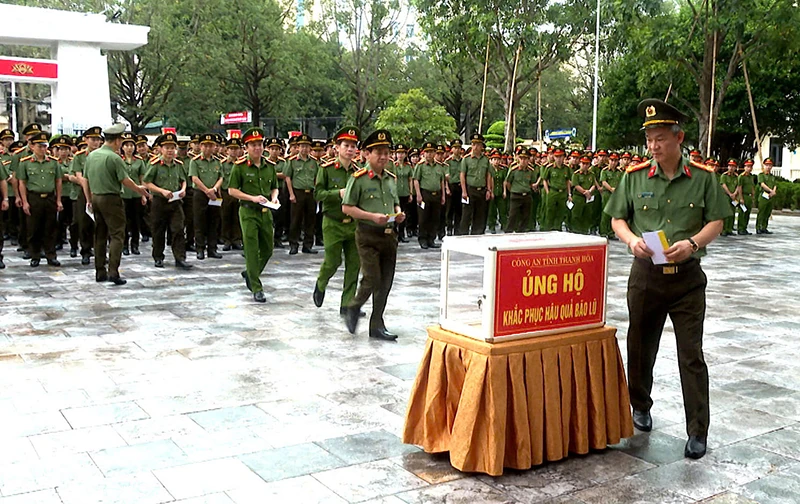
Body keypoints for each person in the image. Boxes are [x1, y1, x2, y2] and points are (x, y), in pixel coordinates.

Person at [605, 98, 733, 460]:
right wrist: (631, 242)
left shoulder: (704, 178)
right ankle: (640, 405)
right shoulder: (633, 177)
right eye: (649, 140)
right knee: (640, 346)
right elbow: (617, 218)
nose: (654, 147)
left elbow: (717, 221)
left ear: (679, 138)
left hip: (687, 279)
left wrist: (693, 243)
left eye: (660, 138)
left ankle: (697, 431)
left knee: (691, 354)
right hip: (646, 276)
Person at [342, 130, 405, 341]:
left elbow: (395, 201)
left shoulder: (390, 179)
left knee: (386, 282)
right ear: (366, 154)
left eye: (386, 152)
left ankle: (376, 324)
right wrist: (371, 216)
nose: (383, 156)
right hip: (368, 235)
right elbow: (347, 208)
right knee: (372, 278)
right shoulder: (358, 179)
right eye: (378, 152)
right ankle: (354, 307)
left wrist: (398, 213)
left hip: (389, 235)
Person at [84, 125, 150, 284]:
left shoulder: (92, 156)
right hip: (111, 199)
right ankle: (113, 272)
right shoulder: (114, 158)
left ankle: (100, 271)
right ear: (117, 140)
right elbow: (125, 180)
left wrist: (89, 199)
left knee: (100, 234)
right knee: (117, 235)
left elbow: (85, 178)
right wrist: (139, 189)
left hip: (96, 197)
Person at [227, 127, 280, 303]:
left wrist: (274, 198)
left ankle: (250, 272)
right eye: (253, 145)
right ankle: (256, 287)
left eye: (259, 144)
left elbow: (274, 186)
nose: (257, 148)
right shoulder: (239, 167)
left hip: (266, 212)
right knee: (251, 249)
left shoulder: (269, 166)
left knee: (268, 249)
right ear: (246, 147)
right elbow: (232, 190)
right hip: (248, 211)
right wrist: (252, 198)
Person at [313, 126, 362, 315]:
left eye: (353, 146)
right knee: (333, 261)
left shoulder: (358, 172)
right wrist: (338, 193)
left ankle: (347, 304)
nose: (350, 149)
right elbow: (318, 193)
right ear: (337, 147)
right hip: (332, 222)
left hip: (353, 224)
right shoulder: (326, 169)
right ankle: (321, 282)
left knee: (354, 264)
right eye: (346, 145)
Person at [143, 133, 192, 270]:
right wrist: (161, 191)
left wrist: (183, 189)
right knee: (158, 231)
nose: (170, 150)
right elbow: (147, 182)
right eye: (167, 148)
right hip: (160, 201)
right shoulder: (155, 164)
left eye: (172, 148)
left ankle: (180, 258)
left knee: (178, 229)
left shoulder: (178, 165)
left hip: (175, 201)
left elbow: (183, 180)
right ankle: (158, 257)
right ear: (161, 149)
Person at [16, 131, 63, 267]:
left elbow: (58, 181)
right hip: (34, 197)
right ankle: (35, 254)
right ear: (32, 147)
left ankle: (51, 255)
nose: (42, 149)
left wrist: (58, 200)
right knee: (33, 228)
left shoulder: (53, 162)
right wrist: (25, 201)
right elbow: (22, 183)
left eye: (44, 146)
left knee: (51, 228)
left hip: (49, 197)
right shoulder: (25, 163)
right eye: (39, 146)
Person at [189, 133, 223, 260]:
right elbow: (194, 178)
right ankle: (200, 248)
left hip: (215, 194)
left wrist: (213, 189)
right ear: (201, 146)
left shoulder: (218, 162)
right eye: (205, 145)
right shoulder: (195, 161)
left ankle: (212, 249)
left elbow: (221, 177)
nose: (208, 148)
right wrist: (206, 190)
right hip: (200, 194)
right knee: (199, 221)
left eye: (211, 145)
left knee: (214, 221)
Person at [284, 133, 319, 255]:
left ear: (310, 148)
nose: (304, 149)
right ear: (298, 147)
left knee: (310, 220)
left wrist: (316, 192)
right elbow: (288, 177)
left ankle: (308, 245)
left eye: (307, 146)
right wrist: (291, 194)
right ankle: (293, 245)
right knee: (295, 220)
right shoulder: (292, 161)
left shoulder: (314, 162)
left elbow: (316, 178)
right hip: (297, 193)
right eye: (302, 146)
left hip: (310, 193)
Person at [413, 142, 447, 249]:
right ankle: (423, 239)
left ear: (434, 153)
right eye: (427, 152)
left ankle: (431, 239)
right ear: (424, 153)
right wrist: (418, 194)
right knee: (423, 218)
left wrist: (443, 196)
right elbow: (416, 180)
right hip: (425, 194)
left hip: (436, 194)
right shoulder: (420, 166)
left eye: (431, 152)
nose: (429, 154)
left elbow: (442, 181)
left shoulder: (439, 166)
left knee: (435, 218)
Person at [119, 132, 146, 256]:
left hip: (136, 194)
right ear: (122, 147)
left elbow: (142, 179)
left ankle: (135, 245)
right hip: (123, 194)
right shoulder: (118, 160)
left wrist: (143, 194)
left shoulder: (139, 161)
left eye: (131, 145)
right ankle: (124, 245)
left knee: (136, 221)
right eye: (127, 145)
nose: (129, 148)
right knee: (124, 221)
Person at [459, 134, 492, 235]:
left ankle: (477, 234)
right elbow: (462, 176)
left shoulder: (485, 159)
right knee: (466, 215)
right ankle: (463, 235)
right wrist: (464, 191)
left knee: (480, 215)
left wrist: (489, 190)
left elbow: (488, 175)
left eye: (478, 144)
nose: (476, 146)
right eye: (473, 144)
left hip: (481, 190)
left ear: (482, 146)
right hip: (470, 190)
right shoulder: (466, 159)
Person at [504, 146, 536, 233]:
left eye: (525, 159)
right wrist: (514, 190)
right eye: (521, 158)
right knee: (512, 216)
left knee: (526, 216)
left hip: (526, 195)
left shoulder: (530, 170)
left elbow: (532, 182)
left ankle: (521, 232)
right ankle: (508, 232)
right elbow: (508, 182)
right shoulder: (514, 170)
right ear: (518, 159)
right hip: (516, 195)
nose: (523, 161)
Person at [542, 148, 571, 231]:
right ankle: (548, 229)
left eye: (561, 156)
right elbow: (544, 179)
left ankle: (557, 229)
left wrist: (569, 194)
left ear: (564, 157)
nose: (559, 159)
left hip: (562, 193)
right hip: (553, 192)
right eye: (557, 156)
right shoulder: (549, 168)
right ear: (554, 157)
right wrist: (548, 192)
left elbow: (568, 181)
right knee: (550, 212)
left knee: (561, 212)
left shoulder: (566, 168)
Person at [569, 154, 597, 235]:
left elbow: (594, 184)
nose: (585, 166)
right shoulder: (576, 174)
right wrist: (585, 192)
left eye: (587, 164)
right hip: (578, 197)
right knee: (576, 215)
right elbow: (576, 185)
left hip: (588, 197)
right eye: (583, 163)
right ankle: (576, 231)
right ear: (580, 164)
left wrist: (589, 192)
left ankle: (585, 230)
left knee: (587, 214)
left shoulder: (591, 174)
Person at [393, 144, 413, 242]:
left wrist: (410, 193)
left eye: (402, 153)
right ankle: (394, 234)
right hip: (396, 193)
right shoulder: (393, 165)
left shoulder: (408, 166)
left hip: (404, 192)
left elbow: (410, 180)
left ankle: (402, 234)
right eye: (398, 153)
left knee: (404, 214)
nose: (400, 155)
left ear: (405, 155)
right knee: (395, 214)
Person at [445, 139, 464, 236]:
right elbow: (445, 176)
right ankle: (449, 227)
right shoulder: (448, 161)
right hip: (451, 186)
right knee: (449, 209)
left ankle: (457, 228)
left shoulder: (463, 161)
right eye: (455, 148)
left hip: (460, 187)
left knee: (459, 209)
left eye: (459, 148)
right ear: (451, 149)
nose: (457, 150)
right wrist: (447, 188)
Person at [719, 160, 740, 237]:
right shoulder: (724, 176)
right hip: (726, 196)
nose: (731, 168)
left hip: (733, 197)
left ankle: (729, 229)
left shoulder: (736, 177)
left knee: (732, 213)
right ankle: (723, 230)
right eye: (730, 166)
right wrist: (730, 194)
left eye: (733, 166)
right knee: (725, 213)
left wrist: (734, 193)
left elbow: (738, 185)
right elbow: (723, 185)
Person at [756, 158, 777, 234]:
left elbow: (775, 184)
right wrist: (770, 191)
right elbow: (762, 184)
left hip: (771, 196)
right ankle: (758, 227)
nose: (768, 167)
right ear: (764, 165)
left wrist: (773, 191)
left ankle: (764, 227)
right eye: (767, 165)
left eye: (770, 165)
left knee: (767, 212)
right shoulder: (761, 175)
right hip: (764, 196)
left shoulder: (772, 176)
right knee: (761, 212)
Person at [737, 159, 755, 235]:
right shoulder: (741, 176)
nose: (749, 168)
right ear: (744, 167)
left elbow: (752, 187)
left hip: (749, 197)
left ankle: (744, 228)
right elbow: (739, 187)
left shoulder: (751, 176)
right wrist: (741, 198)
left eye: (750, 167)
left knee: (747, 213)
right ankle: (740, 228)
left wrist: (753, 196)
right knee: (742, 213)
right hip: (743, 195)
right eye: (747, 166)